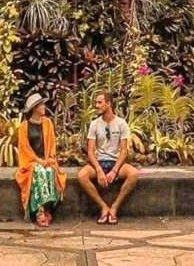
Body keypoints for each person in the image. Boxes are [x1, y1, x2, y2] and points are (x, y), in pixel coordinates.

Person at [77, 90, 139, 224]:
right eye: (96, 103)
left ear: (109, 103)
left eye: (100, 102)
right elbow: (91, 150)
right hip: (99, 162)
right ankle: (103, 207)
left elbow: (123, 151)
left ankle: (115, 207)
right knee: (82, 175)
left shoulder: (121, 123)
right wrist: (98, 170)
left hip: (115, 162)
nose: (97, 105)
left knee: (133, 174)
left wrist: (115, 170)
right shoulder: (94, 124)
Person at [15, 93, 66, 227]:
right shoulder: (23, 127)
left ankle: (48, 208)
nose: (44, 107)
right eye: (41, 104)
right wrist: (38, 160)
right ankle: (40, 211)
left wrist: (48, 159)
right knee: (39, 172)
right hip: (31, 162)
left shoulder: (48, 123)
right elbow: (24, 149)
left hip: (46, 159)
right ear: (34, 108)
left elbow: (52, 144)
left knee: (50, 171)